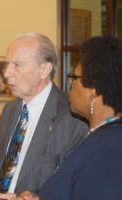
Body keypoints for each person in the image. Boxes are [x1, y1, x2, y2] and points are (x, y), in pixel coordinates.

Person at [0, 32, 88, 199]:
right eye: (7, 64)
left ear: (44, 70)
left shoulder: (72, 117)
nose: (7, 73)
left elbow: (74, 185)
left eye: (17, 65)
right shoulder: (9, 110)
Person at [21, 35, 122, 200]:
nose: (71, 84)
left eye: (75, 78)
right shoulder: (101, 137)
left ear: (93, 92)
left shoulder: (108, 151)